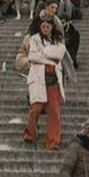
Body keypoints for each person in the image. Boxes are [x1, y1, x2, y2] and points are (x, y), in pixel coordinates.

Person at [24, 16, 67, 151]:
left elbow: (60, 54)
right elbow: (32, 57)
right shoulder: (34, 39)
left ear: (52, 27)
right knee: (36, 108)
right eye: (43, 27)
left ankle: (53, 141)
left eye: (48, 26)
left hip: (53, 79)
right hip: (38, 78)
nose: (45, 29)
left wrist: (43, 54)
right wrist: (49, 59)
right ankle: (30, 134)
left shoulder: (58, 40)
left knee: (54, 111)